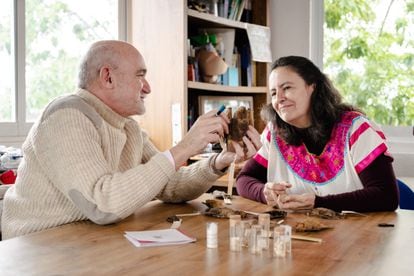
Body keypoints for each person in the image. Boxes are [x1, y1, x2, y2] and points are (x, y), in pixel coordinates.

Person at [1, 40, 261, 239]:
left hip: (88, 241)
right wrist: (184, 147)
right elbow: (103, 205)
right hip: (36, 247)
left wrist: (219, 161)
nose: (147, 87)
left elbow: (171, 187)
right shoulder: (67, 116)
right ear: (108, 77)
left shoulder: (127, 127)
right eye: (140, 75)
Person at [236, 56, 399, 212]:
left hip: (361, 235)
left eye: (287, 88)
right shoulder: (274, 133)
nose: (279, 98)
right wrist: (264, 193)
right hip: (302, 235)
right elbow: (244, 179)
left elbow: (386, 196)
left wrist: (319, 203)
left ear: (312, 87)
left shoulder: (356, 129)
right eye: (273, 93)